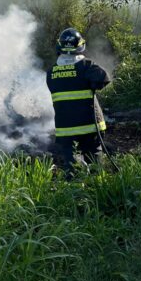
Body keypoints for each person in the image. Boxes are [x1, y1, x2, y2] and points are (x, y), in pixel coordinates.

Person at [46, 27, 110, 177]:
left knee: (72, 168)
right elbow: (104, 78)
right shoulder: (86, 66)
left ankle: (74, 196)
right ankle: (97, 191)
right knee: (95, 164)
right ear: (80, 46)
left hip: (66, 131)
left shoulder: (51, 72)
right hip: (90, 128)